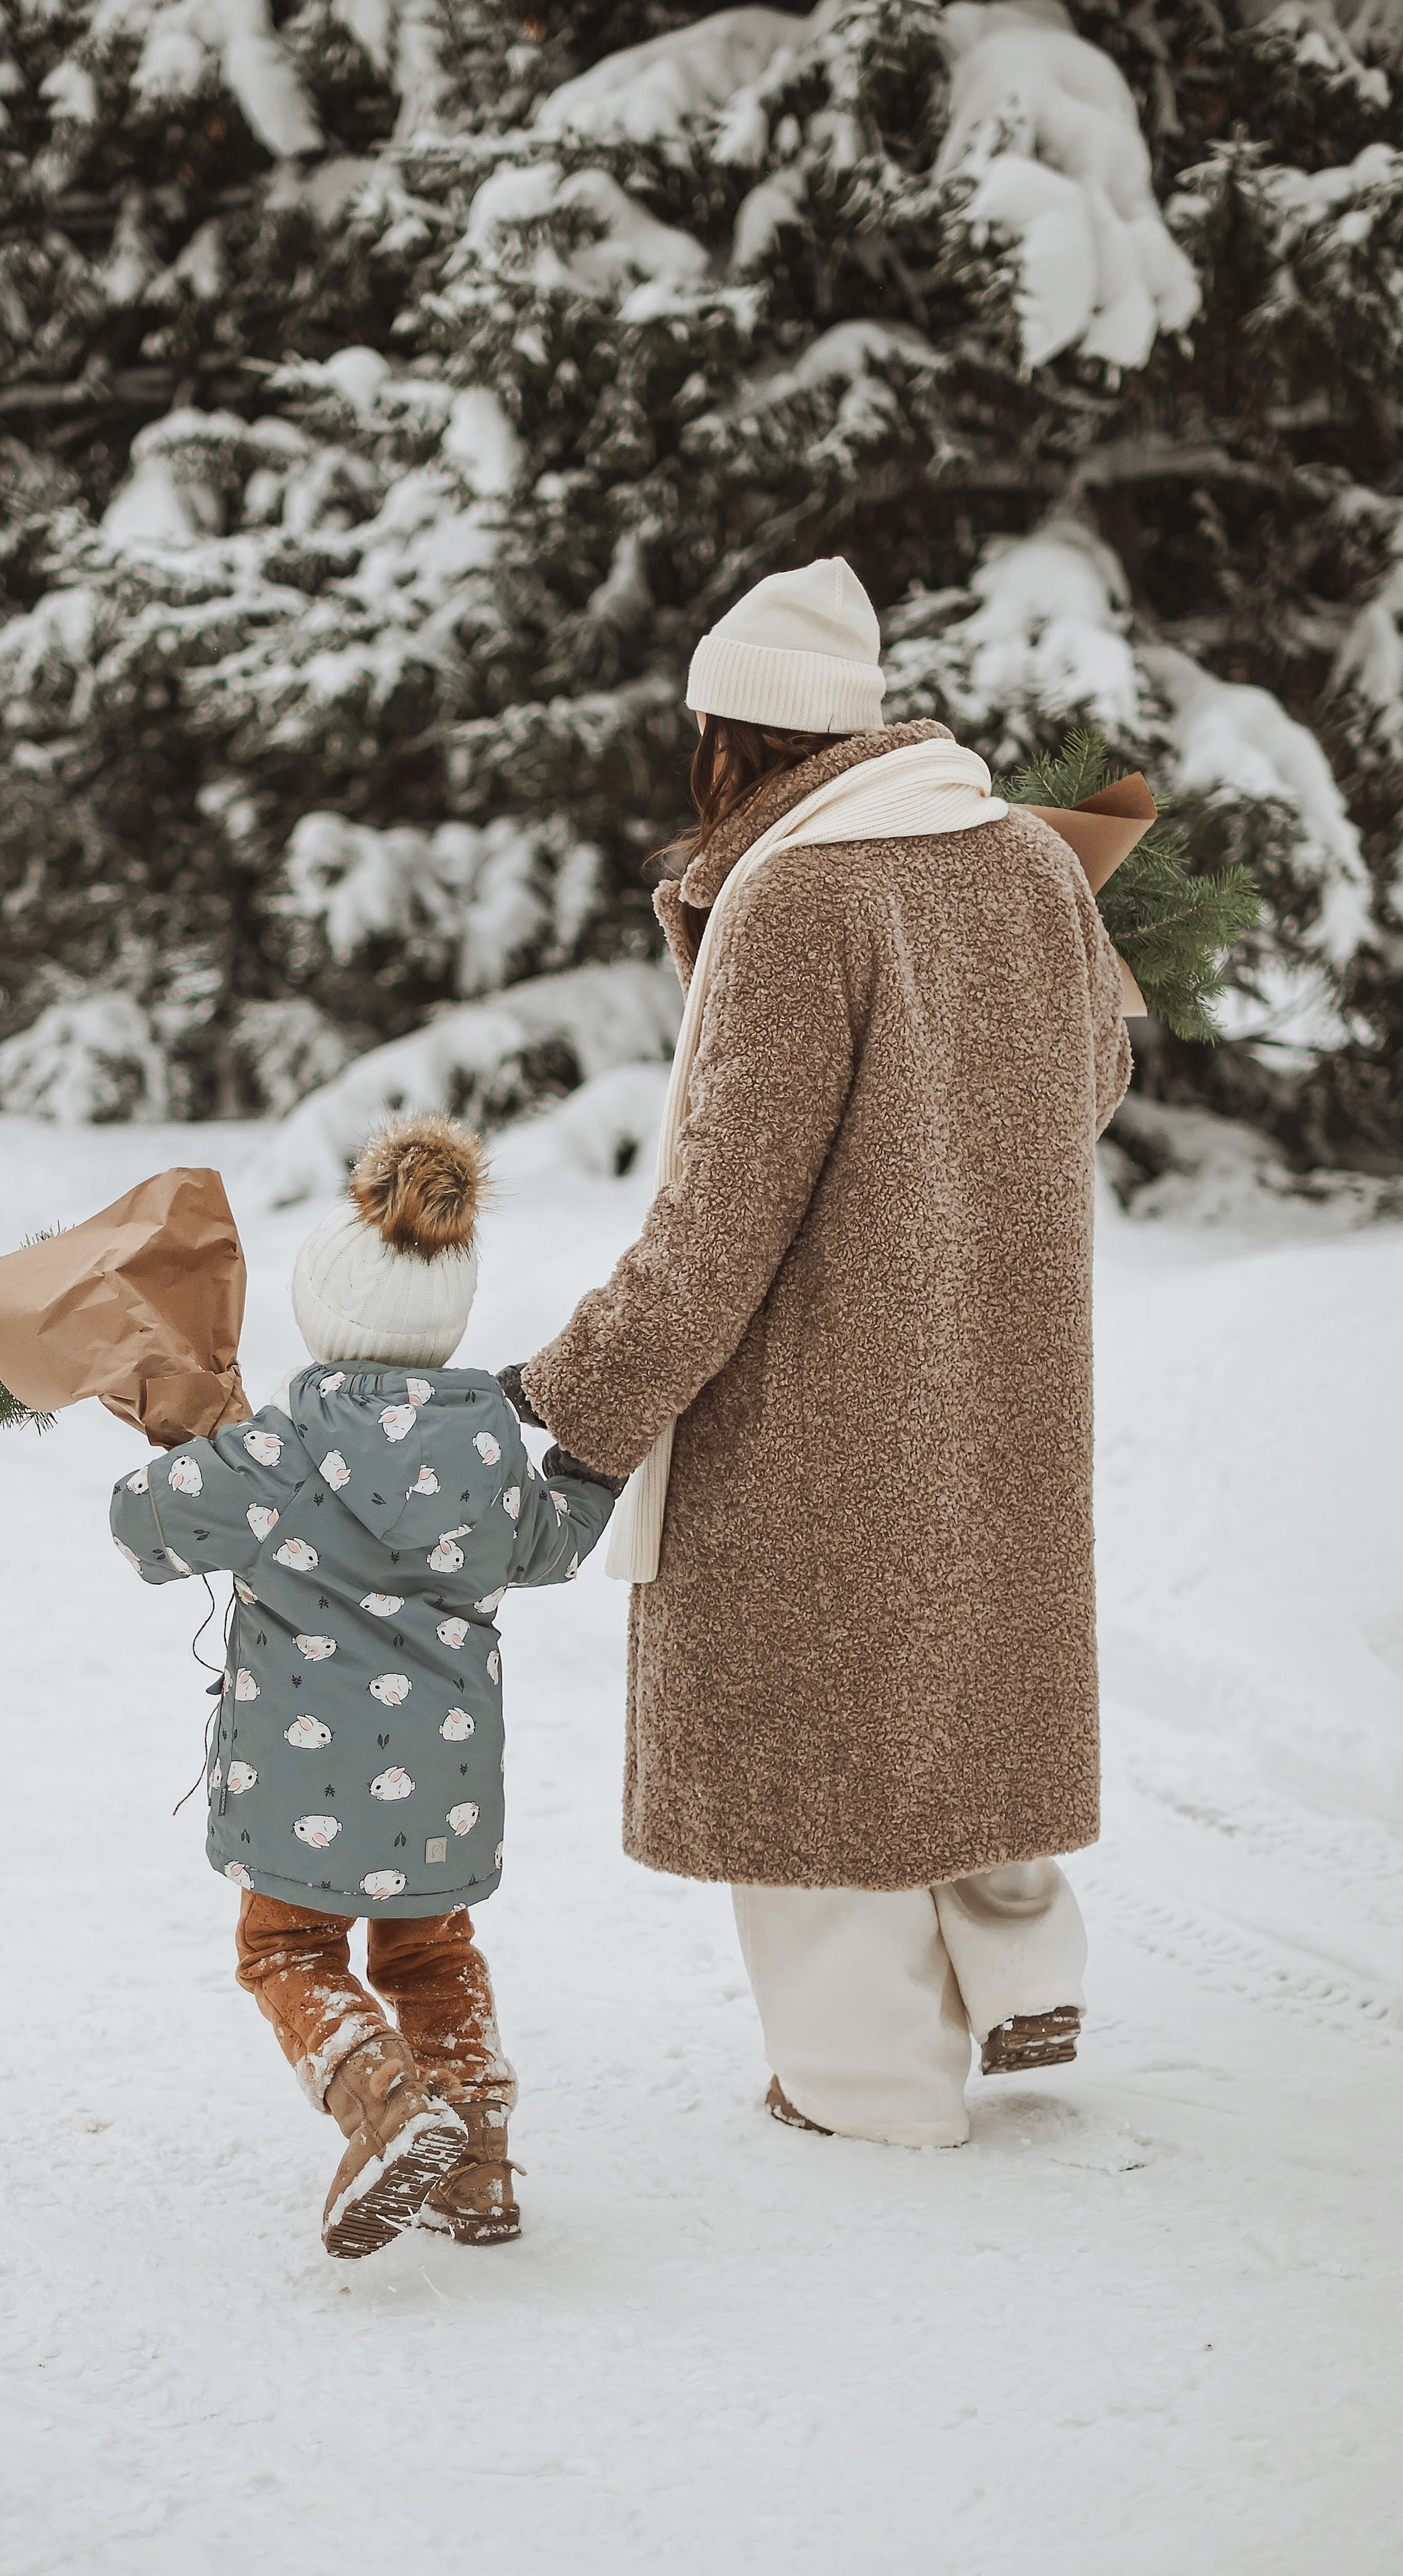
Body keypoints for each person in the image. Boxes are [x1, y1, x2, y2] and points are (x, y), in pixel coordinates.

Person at [506, 557, 1132, 2150]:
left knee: (809, 1722)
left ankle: (865, 2083)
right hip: (995, 1352)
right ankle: (1016, 1971)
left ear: (730, 736)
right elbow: (1096, 1073)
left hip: (817, 1390)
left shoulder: (798, 894)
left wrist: (579, 1398)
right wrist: (949, 1189)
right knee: (966, 1652)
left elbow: (718, 1218)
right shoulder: (1023, 862)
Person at [112, 1114, 619, 2252]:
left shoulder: (274, 1456)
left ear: (322, 1322)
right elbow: (560, 1541)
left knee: (287, 1951)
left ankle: (382, 2103)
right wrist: (592, 1464)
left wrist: (183, 1448)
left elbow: (141, 1528)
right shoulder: (493, 1457)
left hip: (299, 1792)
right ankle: (477, 2159)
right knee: (432, 1955)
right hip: (439, 1793)